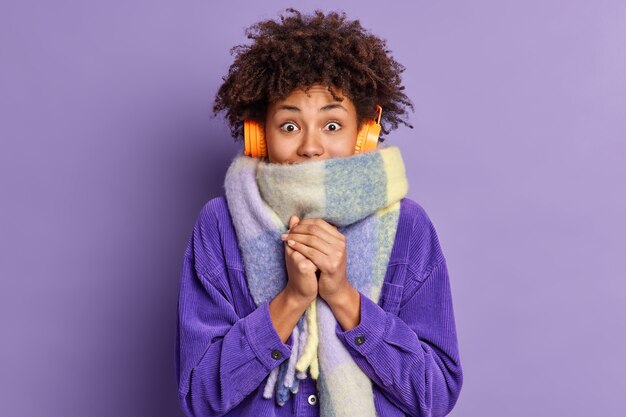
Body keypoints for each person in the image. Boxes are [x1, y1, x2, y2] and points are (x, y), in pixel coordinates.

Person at [176, 8, 463, 417]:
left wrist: (343, 297)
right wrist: (292, 299)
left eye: (331, 126)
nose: (311, 146)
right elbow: (198, 398)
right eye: (290, 126)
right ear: (259, 134)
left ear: (364, 133)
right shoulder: (220, 225)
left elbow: (434, 396)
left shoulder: (408, 228)